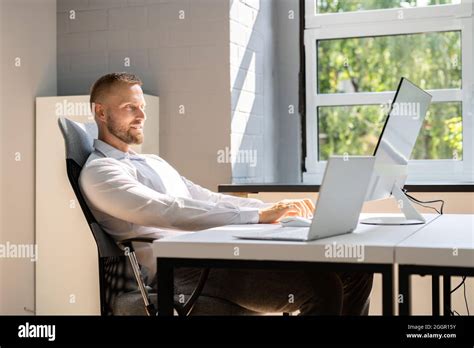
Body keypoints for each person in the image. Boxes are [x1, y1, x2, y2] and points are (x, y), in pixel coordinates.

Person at [79, 72, 373, 315]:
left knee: (356, 273)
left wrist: (274, 207)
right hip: (182, 270)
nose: (142, 115)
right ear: (101, 112)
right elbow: (169, 210)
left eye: (142, 106)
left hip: (213, 253)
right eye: (131, 107)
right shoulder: (100, 172)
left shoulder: (152, 161)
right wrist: (256, 215)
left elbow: (206, 197)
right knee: (322, 290)